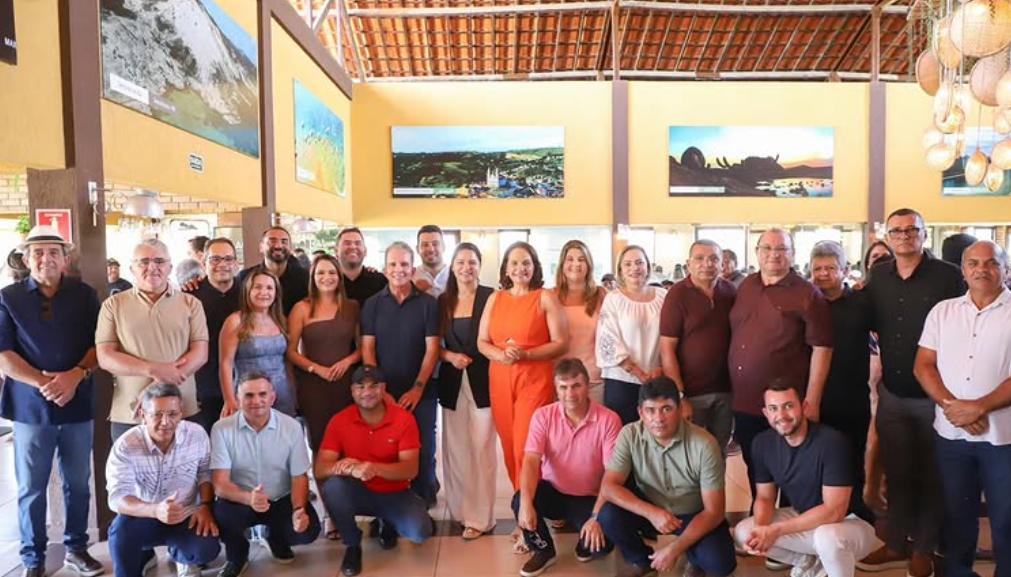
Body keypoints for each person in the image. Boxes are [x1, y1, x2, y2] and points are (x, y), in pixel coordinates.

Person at [858, 209, 966, 577]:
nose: (904, 236)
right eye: (897, 231)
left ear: (923, 233)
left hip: (935, 395)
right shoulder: (878, 277)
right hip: (893, 393)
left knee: (931, 475)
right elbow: (866, 321)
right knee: (898, 472)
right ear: (887, 237)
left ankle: (923, 549)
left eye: (911, 229)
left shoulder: (948, 276)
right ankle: (894, 543)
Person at [0, 225, 104, 577]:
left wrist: (75, 375)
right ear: (26, 259)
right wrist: (44, 383)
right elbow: (3, 354)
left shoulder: (85, 295)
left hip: (77, 401)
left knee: (78, 483)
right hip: (30, 408)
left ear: (65, 259)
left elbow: (101, 344)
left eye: (54, 252)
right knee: (31, 487)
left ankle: (77, 549)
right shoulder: (8, 297)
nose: (46, 258)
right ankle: (33, 559)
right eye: (39, 252)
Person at [914, 240, 1011, 577]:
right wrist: (953, 408)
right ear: (964, 271)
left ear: (1005, 269)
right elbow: (923, 365)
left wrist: (979, 407)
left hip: (1003, 439)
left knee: (1006, 519)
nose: (982, 269)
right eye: (973, 263)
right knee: (956, 517)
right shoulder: (943, 312)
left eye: (991, 262)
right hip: (951, 437)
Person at [733, 381, 881, 577]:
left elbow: (834, 511)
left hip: (850, 524)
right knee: (744, 531)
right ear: (766, 413)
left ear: (804, 407)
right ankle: (808, 561)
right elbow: (765, 497)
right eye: (773, 408)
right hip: (807, 519)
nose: (781, 415)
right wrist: (761, 529)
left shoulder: (833, 442)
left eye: (788, 406)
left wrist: (776, 530)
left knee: (826, 537)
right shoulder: (762, 443)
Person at [728, 229, 833, 500]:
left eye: (781, 249)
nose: (773, 254)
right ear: (757, 252)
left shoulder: (807, 294)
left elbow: (822, 349)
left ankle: (792, 522)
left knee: (792, 470)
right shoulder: (746, 286)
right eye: (767, 248)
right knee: (755, 465)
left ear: (792, 254)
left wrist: (813, 401)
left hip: (787, 404)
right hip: (746, 401)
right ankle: (761, 515)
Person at [597, 376, 736, 577]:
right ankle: (642, 561)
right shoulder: (629, 434)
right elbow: (608, 486)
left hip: (694, 514)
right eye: (650, 410)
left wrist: (674, 549)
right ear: (640, 413)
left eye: (666, 409)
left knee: (721, 563)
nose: (658, 418)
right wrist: (651, 512)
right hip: (650, 509)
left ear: (679, 409)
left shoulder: (704, 444)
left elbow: (714, 512)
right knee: (608, 514)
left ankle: (693, 555)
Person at [315, 365, 434, 577]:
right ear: (352, 391)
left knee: (420, 532)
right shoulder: (339, 420)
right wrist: (351, 468)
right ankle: (352, 545)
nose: (367, 392)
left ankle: (387, 521)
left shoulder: (404, 419)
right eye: (360, 387)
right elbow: (320, 469)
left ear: (383, 388)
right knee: (333, 486)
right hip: (358, 493)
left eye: (374, 386)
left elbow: (410, 469)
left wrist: (373, 468)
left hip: (394, 493)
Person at [512, 359, 621, 577]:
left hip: (590, 497)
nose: (570, 393)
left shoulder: (609, 419)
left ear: (587, 386)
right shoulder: (543, 416)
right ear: (556, 389)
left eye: (576, 386)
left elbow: (612, 475)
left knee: (600, 547)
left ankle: (585, 541)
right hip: (554, 491)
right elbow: (531, 460)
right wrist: (525, 503)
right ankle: (544, 551)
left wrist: (596, 517)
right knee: (519, 500)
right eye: (563, 387)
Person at [97, 238, 209, 441]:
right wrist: (153, 370)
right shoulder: (112, 305)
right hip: (131, 414)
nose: (152, 267)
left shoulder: (191, 303)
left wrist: (154, 387)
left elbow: (200, 354)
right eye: (144, 262)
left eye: (159, 261)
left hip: (182, 411)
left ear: (170, 267)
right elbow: (105, 357)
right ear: (132, 268)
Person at [478, 241, 568, 490]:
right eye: (514, 263)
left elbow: (561, 343)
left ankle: (530, 503)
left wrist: (526, 355)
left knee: (525, 447)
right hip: (500, 379)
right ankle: (521, 498)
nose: (520, 268)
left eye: (526, 263)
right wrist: (500, 355)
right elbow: (481, 342)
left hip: (534, 378)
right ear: (506, 269)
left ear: (535, 266)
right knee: (508, 446)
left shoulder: (545, 297)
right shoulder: (495, 298)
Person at [210, 373, 321, 577]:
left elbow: (299, 476)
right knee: (222, 515)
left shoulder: (291, 426)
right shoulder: (221, 429)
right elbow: (219, 484)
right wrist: (248, 498)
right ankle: (237, 556)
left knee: (307, 531)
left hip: (280, 498)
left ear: (272, 397)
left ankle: (276, 539)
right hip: (240, 499)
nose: (256, 401)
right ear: (237, 399)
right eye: (249, 395)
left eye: (262, 394)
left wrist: (298, 509)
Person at [106, 383, 220, 577]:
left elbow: (205, 473)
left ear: (181, 413)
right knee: (120, 532)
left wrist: (205, 505)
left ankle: (181, 556)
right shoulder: (125, 445)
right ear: (143, 415)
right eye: (157, 415)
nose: (166, 422)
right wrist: (155, 510)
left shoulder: (197, 434)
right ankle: (143, 557)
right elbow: (117, 497)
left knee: (207, 547)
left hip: (185, 513)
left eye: (172, 414)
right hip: (144, 514)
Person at [361, 241, 441, 506]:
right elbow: (367, 349)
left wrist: (417, 388)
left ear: (413, 268)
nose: (399, 269)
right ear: (385, 269)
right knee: (385, 451)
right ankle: (388, 506)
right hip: (383, 392)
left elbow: (432, 350)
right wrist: (379, 391)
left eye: (404, 264)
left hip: (421, 391)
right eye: (393, 264)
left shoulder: (428, 304)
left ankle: (423, 504)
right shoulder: (372, 305)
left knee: (424, 450)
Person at [809, 241, 875, 522]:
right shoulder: (807, 304)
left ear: (845, 270)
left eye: (830, 268)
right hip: (814, 397)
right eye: (817, 269)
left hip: (852, 396)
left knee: (852, 457)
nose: (823, 274)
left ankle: (855, 512)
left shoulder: (862, 304)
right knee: (815, 460)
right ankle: (814, 515)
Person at [437, 243, 496, 539]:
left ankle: (481, 518)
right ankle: (460, 511)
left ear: (479, 265)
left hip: (483, 382)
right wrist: (449, 356)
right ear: (452, 266)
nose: (466, 267)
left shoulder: (491, 297)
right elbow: (432, 344)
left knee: (482, 450)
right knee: (456, 450)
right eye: (460, 262)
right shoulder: (442, 301)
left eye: (472, 262)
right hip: (451, 382)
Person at [659, 240, 736, 456]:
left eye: (713, 259)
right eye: (700, 258)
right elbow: (667, 349)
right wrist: (680, 395)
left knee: (719, 453)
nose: (707, 264)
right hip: (691, 394)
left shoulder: (730, 291)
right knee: (690, 455)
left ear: (722, 264)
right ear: (688, 264)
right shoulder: (677, 295)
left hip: (726, 391)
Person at [286, 254, 361, 450]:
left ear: (339, 276)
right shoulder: (301, 308)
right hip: (313, 386)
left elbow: (363, 348)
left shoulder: (352, 307)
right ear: (312, 277)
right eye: (320, 273)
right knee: (320, 441)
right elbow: (290, 352)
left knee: (348, 440)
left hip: (345, 383)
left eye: (331, 272)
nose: (326, 277)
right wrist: (317, 369)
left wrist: (347, 361)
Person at [596, 245, 667, 425]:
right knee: (624, 433)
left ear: (647, 266)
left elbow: (671, 334)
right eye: (628, 264)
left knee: (656, 431)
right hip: (622, 378)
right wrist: (636, 371)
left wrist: (661, 368)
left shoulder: (663, 296)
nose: (634, 268)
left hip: (657, 377)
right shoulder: (613, 299)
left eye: (639, 263)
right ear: (620, 270)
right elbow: (607, 339)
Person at [184, 238, 241, 433]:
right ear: (203, 262)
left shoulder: (248, 293)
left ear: (236, 263)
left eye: (228, 259)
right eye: (215, 259)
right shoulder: (190, 296)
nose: (222, 264)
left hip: (243, 386)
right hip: (203, 387)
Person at [219, 270, 294, 418]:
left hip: (281, 393)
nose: (263, 292)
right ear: (248, 291)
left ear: (276, 293)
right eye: (258, 287)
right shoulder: (235, 321)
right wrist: (229, 399)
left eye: (269, 288)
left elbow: (287, 362)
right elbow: (225, 363)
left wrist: (294, 392)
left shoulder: (282, 320)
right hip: (249, 394)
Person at [553, 240, 606, 403]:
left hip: (594, 378)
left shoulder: (601, 294)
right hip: (561, 380)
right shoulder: (550, 296)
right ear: (562, 265)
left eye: (581, 259)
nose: (576, 264)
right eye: (570, 259)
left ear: (588, 265)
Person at [237, 226, 308, 316]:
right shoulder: (245, 277)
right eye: (272, 241)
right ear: (261, 247)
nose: (278, 246)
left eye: (284, 242)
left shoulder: (304, 277)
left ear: (290, 248)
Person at [335, 227, 388, 306]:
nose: (353, 246)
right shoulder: (330, 283)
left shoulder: (381, 282)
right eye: (347, 243)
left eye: (358, 243)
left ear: (365, 251)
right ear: (336, 251)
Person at [414, 224, 450, 297]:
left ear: (443, 247)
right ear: (417, 249)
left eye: (435, 244)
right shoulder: (410, 277)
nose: (431, 249)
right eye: (425, 245)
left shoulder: (456, 274)